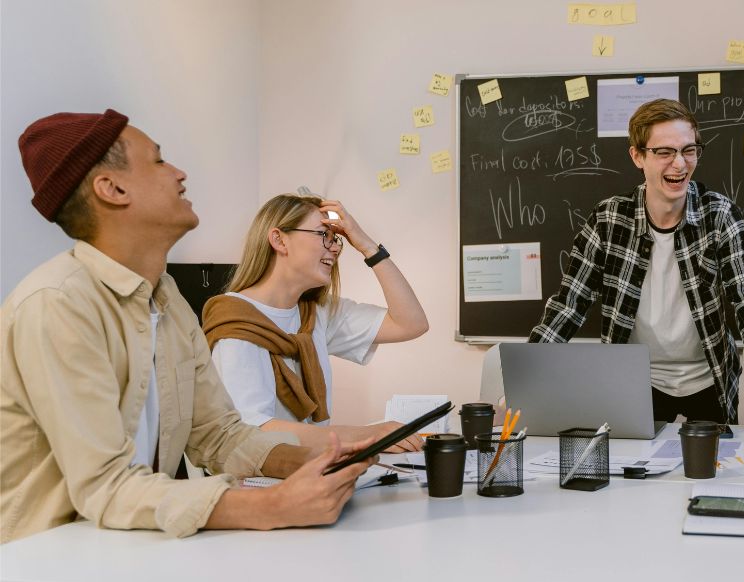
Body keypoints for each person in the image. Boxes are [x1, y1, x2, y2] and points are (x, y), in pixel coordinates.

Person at [1, 109, 375, 544]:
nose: (179, 173)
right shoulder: (59, 305)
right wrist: (272, 505)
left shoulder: (168, 300)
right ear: (112, 188)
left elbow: (218, 434)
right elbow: (108, 486)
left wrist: (317, 462)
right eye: (158, 161)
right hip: (43, 567)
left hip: (126, 549)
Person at [528, 99, 744, 440]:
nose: (680, 164)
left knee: (710, 474)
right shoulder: (608, 219)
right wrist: (522, 391)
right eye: (665, 152)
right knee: (631, 477)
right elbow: (568, 306)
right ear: (637, 156)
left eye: (689, 150)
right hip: (634, 381)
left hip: (708, 378)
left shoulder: (719, 215)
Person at [204, 194, 429, 451]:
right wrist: (366, 436)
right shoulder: (236, 321)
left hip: (310, 467)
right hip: (261, 480)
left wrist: (368, 247)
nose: (334, 248)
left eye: (337, 240)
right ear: (279, 240)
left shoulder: (315, 313)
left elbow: (411, 323)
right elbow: (252, 430)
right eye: (324, 235)